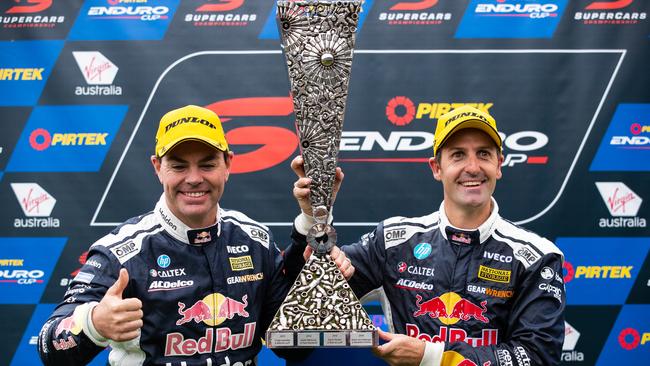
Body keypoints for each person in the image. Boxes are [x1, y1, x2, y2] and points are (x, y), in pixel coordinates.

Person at [288, 105, 566, 366]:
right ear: (436, 167)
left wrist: (430, 356)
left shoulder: (536, 257)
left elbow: (538, 357)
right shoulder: (394, 241)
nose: (472, 167)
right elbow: (307, 306)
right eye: (458, 154)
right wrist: (315, 219)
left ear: (499, 165)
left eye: (483, 154)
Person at [38, 105, 304, 366]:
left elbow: (294, 346)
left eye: (207, 164)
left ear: (228, 165)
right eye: (178, 167)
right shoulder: (123, 252)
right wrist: (94, 324)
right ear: (157, 167)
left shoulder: (254, 241)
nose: (194, 178)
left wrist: (313, 226)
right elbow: (49, 346)